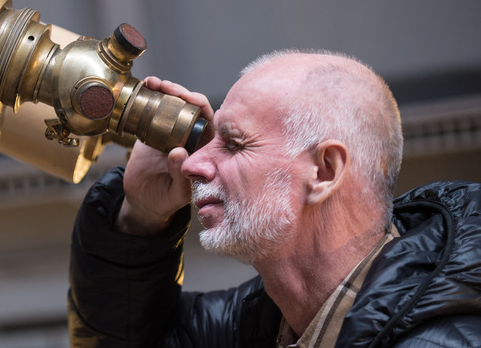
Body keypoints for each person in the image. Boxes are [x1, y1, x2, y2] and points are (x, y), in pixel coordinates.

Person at [67, 51, 481, 347]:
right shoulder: (260, 323)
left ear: (324, 173)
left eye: (232, 144)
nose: (192, 165)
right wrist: (139, 214)